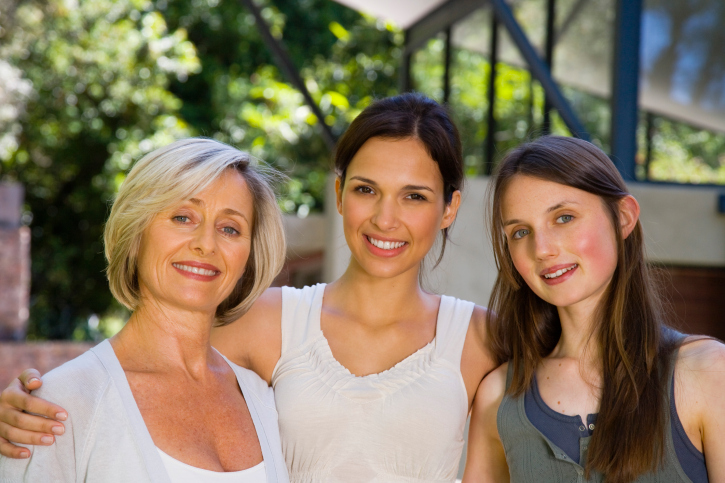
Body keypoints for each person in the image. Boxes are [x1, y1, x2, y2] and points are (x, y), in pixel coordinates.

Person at [0, 93, 496, 482]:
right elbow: (133, 374)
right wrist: (21, 406)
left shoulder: (485, 339)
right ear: (340, 193)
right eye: (367, 189)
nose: (386, 218)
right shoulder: (265, 323)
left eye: (414, 196)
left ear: (450, 208)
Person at [0, 138, 290, 482]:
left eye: (230, 228)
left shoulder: (267, 401)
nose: (206, 244)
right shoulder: (60, 405)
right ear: (136, 234)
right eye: (183, 217)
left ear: (249, 256)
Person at [462, 136, 725, 482]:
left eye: (564, 217)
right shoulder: (499, 397)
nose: (541, 249)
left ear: (624, 217)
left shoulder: (707, 373)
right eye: (520, 231)